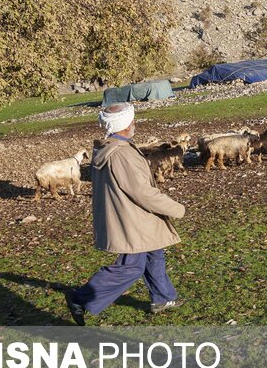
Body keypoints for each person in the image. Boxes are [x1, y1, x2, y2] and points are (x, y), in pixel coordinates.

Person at [64, 103, 186, 325]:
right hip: (133, 218)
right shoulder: (121, 155)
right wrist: (175, 208)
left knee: (153, 253)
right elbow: (141, 191)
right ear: (125, 124)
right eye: (132, 121)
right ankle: (80, 299)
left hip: (133, 216)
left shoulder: (109, 148)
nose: (134, 124)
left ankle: (163, 297)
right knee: (131, 266)